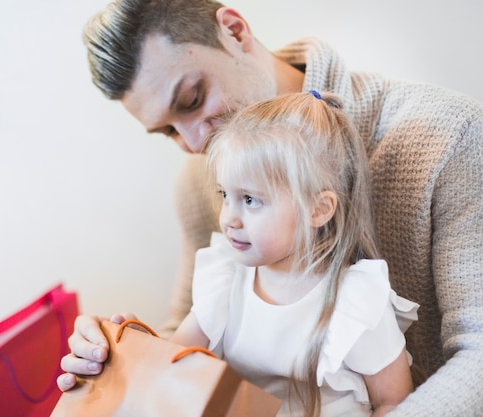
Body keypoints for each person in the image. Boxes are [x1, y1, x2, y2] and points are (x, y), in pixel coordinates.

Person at [59, 1, 483, 415]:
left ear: (235, 31)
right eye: (168, 131)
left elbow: (477, 355)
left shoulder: (449, 137)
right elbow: (187, 333)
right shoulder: (198, 183)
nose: (194, 144)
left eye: (192, 99)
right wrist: (121, 352)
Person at [170, 91, 418, 417]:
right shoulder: (226, 278)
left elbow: (394, 401)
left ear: (318, 210)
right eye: (225, 195)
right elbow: (171, 360)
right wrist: (124, 339)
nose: (228, 217)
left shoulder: (355, 304)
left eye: (250, 200)